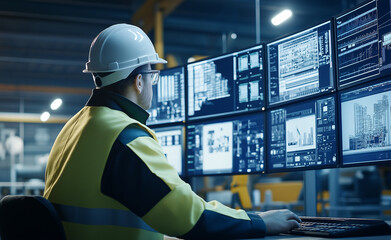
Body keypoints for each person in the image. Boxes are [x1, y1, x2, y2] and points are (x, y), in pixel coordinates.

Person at [44, 23, 301, 240]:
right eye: (152, 76)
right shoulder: (124, 138)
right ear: (140, 80)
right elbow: (189, 216)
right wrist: (259, 221)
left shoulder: (72, 129)